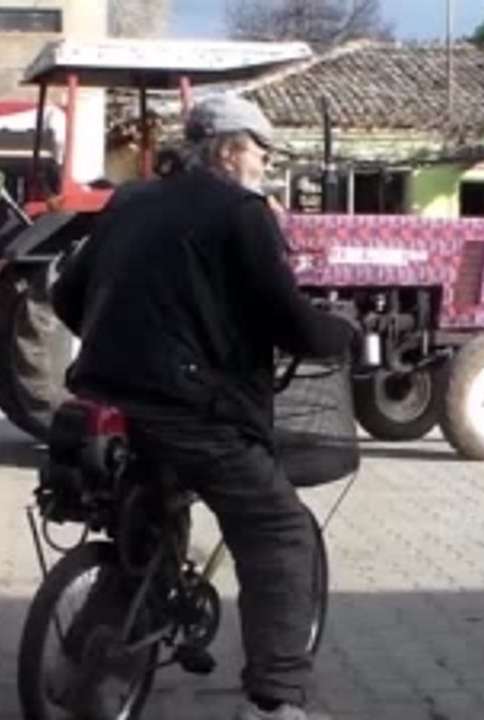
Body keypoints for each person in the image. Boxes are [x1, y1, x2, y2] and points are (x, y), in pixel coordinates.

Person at [50, 93, 357, 720]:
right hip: (191, 411)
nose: (267, 164)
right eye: (261, 150)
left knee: (149, 529)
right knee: (279, 531)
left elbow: (66, 296)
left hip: (105, 401)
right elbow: (286, 317)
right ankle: (274, 702)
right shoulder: (241, 213)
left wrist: (120, 345)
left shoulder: (130, 200)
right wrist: (342, 337)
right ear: (227, 149)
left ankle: (87, 671)